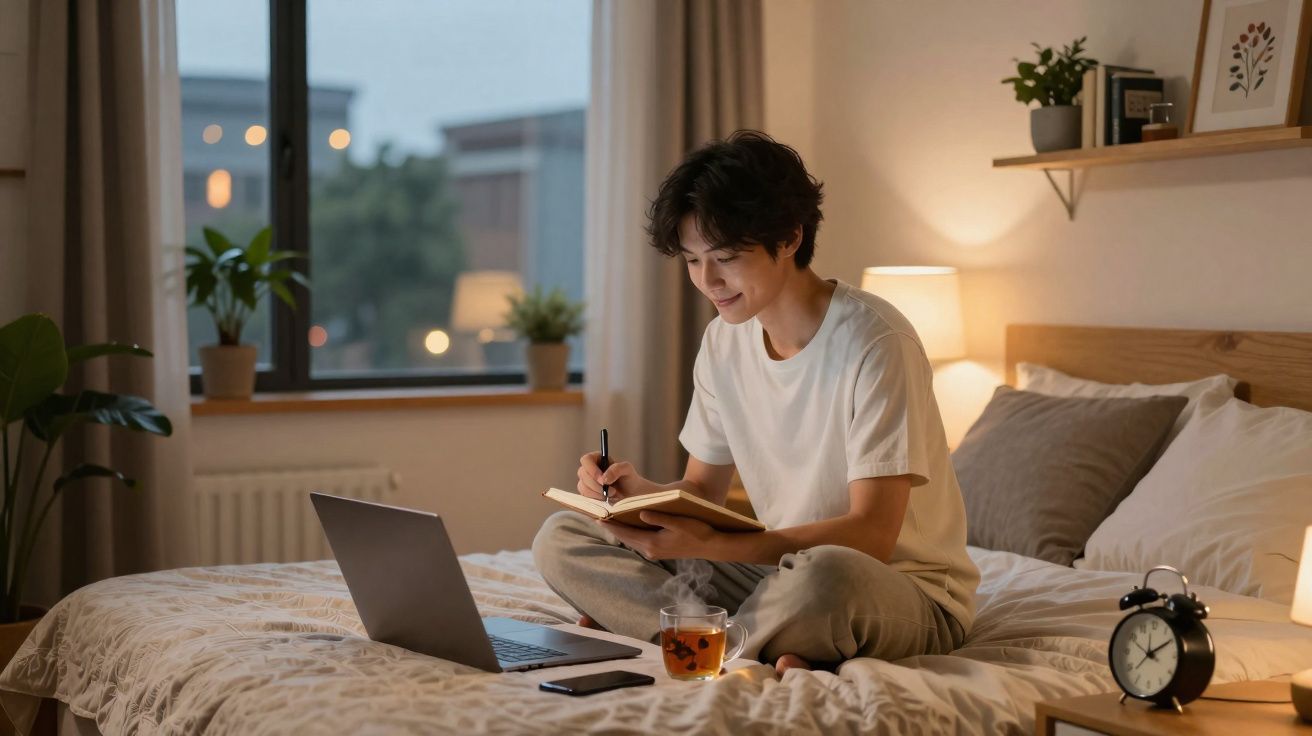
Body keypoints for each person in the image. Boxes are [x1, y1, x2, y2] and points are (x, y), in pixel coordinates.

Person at [532, 130, 978, 676]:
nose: (708, 281)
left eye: (725, 258)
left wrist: (720, 545)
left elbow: (871, 536)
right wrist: (634, 495)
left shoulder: (877, 341)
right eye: (693, 261)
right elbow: (700, 492)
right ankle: (754, 639)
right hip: (776, 572)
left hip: (895, 588)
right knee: (564, 537)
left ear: (789, 238)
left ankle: (688, 633)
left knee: (826, 579)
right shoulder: (724, 340)